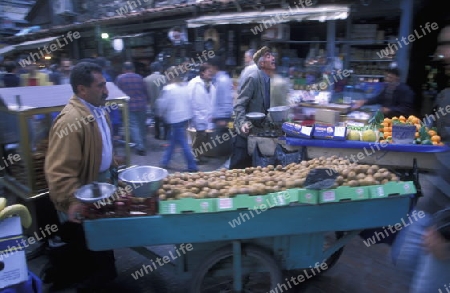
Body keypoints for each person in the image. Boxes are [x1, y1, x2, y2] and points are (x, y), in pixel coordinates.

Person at [44, 62, 118, 291]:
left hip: (100, 188)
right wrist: (72, 200)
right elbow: (59, 169)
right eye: (101, 86)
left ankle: (103, 275)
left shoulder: (98, 110)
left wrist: (113, 165)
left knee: (101, 242)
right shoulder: (70, 120)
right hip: (82, 195)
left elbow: (101, 147)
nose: (106, 90)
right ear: (82, 89)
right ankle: (91, 282)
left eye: (105, 84)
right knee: (86, 248)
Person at [390, 23, 450, 293]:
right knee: (402, 258)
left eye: (447, 44)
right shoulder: (446, 95)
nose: (441, 53)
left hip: (445, 221)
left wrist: (447, 231)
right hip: (433, 204)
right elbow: (433, 131)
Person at [230, 46, 275, 169]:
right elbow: (239, 104)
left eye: (272, 55)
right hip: (245, 134)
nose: (273, 58)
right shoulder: (253, 78)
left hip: (258, 134)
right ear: (261, 63)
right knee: (237, 170)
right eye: (268, 56)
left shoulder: (269, 80)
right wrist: (243, 122)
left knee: (253, 170)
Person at [158, 66, 198, 172]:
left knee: (182, 143)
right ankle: (165, 161)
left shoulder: (169, 89)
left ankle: (192, 165)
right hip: (185, 117)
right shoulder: (184, 86)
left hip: (176, 119)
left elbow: (163, 104)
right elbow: (190, 101)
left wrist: (160, 113)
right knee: (173, 141)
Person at [115, 61, 150, 156]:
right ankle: (142, 143)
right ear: (133, 69)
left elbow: (118, 93)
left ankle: (140, 147)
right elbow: (145, 91)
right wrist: (147, 101)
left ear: (123, 69)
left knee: (133, 126)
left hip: (129, 105)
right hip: (142, 105)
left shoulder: (120, 79)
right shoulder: (140, 78)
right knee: (141, 125)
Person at [188, 63, 216, 163]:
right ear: (202, 72)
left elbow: (213, 100)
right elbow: (189, 98)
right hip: (197, 114)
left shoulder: (211, 84)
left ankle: (200, 155)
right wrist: (190, 114)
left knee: (205, 136)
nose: (211, 73)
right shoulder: (194, 83)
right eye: (209, 71)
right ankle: (195, 156)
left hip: (207, 115)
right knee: (201, 135)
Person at [144, 61, 169, 140]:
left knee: (156, 119)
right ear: (160, 69)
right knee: (165, 120)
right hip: (163, 102)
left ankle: (157, 135)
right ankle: (165, 135)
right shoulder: (164, 78)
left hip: (152, 103)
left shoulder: (146, 79)